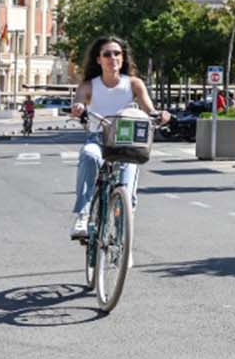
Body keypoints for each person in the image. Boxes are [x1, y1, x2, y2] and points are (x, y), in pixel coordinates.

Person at [66, 34, 170, 241]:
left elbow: (149, 109)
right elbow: (77, 103)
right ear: (99, 59)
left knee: (127, 190)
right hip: (98, 138)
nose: (112, 58)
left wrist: (160, 115)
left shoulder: (133, 84)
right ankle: (83, 214)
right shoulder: (89, 86)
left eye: (117, 53)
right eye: (107, 54)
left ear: (123, 58)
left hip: (127, 142)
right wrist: (78, 108)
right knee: (89, 155)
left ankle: (123, 244)